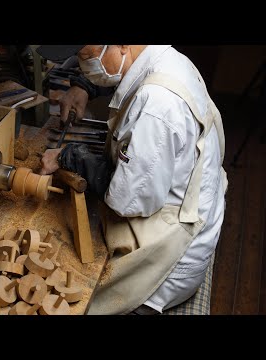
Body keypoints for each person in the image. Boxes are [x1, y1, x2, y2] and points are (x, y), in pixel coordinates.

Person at [36, 45, 228, 315]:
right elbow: (119, 71)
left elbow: (126, 200)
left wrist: (70, 157)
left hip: (169, 260)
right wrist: (85, 86)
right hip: (184, 207)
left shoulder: (157, 105)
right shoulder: (161, 56)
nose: (83, 64)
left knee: (67, 297)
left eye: (86, 57)